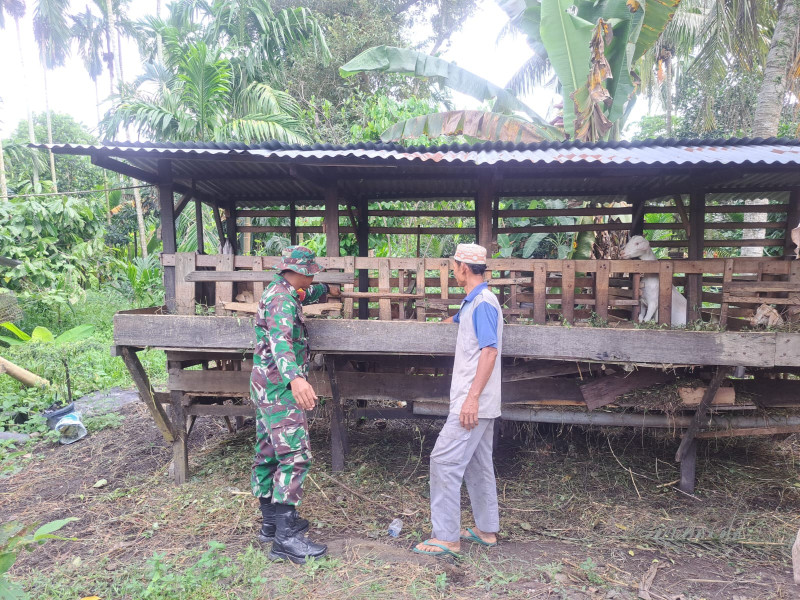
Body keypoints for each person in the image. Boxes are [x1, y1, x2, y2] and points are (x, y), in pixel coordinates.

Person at [250, 245, 338, 564]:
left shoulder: (285, 290)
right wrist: (296, 379)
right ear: (297, 271)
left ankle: (272, 523)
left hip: (265, 384)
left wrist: (323, 289)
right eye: (310, 272)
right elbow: (281, 341)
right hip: (279, 387)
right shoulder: (281, 300)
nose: (312, 275)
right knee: (295, 456)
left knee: (269, 452)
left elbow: (308, 293)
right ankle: (286, 539)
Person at [414, 243, 502, 558]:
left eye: (454, 266)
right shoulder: (474, 303)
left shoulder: (483, 304)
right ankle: (486, 530)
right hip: (482, 402)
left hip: (473, 403)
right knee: (478, 464)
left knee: (443, 462)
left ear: (463, 267)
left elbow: (489, 351)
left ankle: (447, 537)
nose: (453, 271)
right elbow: (457, 324)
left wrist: (471, 400)